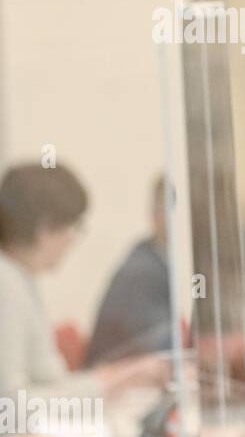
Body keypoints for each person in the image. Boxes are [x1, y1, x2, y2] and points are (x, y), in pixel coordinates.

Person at [0, 163, 170, 406]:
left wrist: (116, 378)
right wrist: (112, 382)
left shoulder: (20, 279)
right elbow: (9, 407)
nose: (73, 238)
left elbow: (51, 387)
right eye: (74, 226)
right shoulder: (6, 286)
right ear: (45, 229)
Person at [84, 175, 173, 366]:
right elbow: (166, 346)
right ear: (155, 215)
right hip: (112, 387)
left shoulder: (158, 259)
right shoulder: (142, 271)